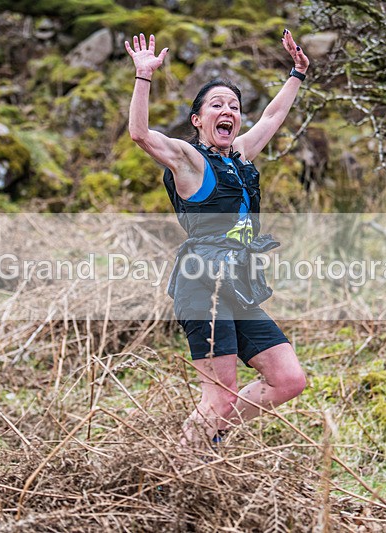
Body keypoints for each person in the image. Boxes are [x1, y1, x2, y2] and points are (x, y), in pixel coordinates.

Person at [125, 30, 309, 447]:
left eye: (234, 106)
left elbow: (271, 118)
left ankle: (212, 435)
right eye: (217, 105)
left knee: (288, 379)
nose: (228, 111)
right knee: (220, 395)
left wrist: (297, 72)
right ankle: (183, 462)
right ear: (198, 120)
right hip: (201, 284)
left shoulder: (240, 156)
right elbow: (140, 134)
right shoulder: (189, 160)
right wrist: (143, 76)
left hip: (239, 285)